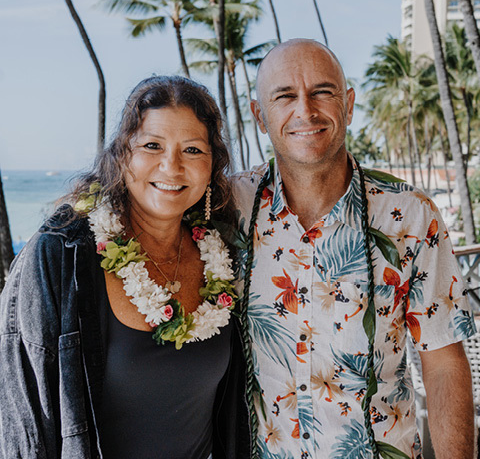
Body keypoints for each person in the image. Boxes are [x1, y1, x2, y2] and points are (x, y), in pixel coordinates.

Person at [233, 39, 476, 459]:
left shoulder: (410, 216)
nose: (305, 111)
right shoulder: (229, 205)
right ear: (259, 115)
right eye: (284, 96)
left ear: (348, 104)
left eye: (322, 92)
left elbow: (442, 363)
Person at [0, 75, 251, 459]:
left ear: (213, 164)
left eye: (193, 150)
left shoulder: (224, 250)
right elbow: (23, 416)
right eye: (152, 145)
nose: (172, 166)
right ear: (122, 155)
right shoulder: (61, 254)